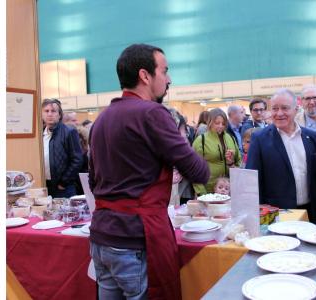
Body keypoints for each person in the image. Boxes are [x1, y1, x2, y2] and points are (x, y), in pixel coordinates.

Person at [88, 44, 209, 300]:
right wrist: (178, 138)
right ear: (145, 76)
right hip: (135, 238)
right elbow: (199, 171)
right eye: (164, 71)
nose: (169, 79)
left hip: (101, 235)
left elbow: (92, 179)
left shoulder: (102, 119)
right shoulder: (152, 113)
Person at [246, 88, 316, 224]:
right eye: (275, 108)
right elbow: (252, 181)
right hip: (277, 215)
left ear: (296, 109)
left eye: (285, 108)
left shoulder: (313, 137)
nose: (279, 113)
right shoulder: (260, 139)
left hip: (312, 213)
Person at [192, 108, 242, 195]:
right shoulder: (201, 140)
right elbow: (194, 169)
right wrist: (202, 193)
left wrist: (231, 162)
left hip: (228, 190)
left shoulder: (230, 138)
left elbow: (239, 161)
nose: (220, 126)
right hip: (208, 189)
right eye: (217, 123)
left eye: (223, 123)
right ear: (210, 123)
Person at [41, 98, 83, 198]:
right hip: (44, 186)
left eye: (53, 111)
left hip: (63, 188)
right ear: (42, 114)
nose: (49, 114)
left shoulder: (69, 132)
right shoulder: (39, 134)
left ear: (59, 115)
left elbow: (77, 159)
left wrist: (63, 182)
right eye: (46, 111)